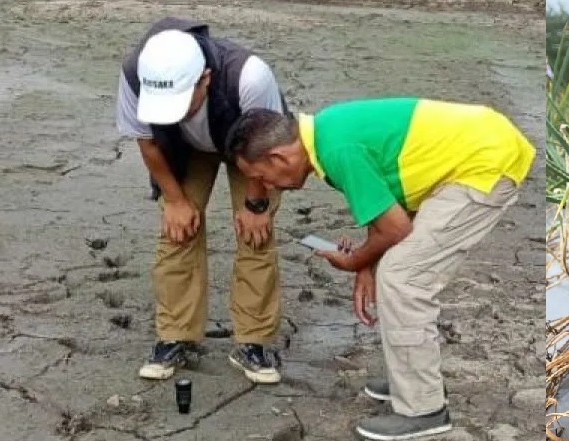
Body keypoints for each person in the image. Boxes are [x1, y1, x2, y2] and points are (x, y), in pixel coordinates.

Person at [224, 98, 535, 440]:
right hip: (476, 149)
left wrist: (355, 260)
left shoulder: (338, 151)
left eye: (261, 177)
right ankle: (412, 379)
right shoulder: (327, 132)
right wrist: (366, 267)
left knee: (404, 278)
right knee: (395, 268)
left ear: (278, 158)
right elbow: (388, 204)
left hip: (485, 163)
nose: (266, 186)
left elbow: (397, 229)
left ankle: (424, 409)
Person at [116, 17, 289, 384]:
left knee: (255, 233)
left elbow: (268, 146)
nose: (173, 112)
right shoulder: (135, 73)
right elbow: (147, 141)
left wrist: (256, 205)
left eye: (179, 102)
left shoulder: (249, 77)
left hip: (252, 146)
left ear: (205, 79)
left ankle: (254, 342)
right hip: (184, 149)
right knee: (177, 231)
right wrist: (176, 200)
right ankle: (176, 334)